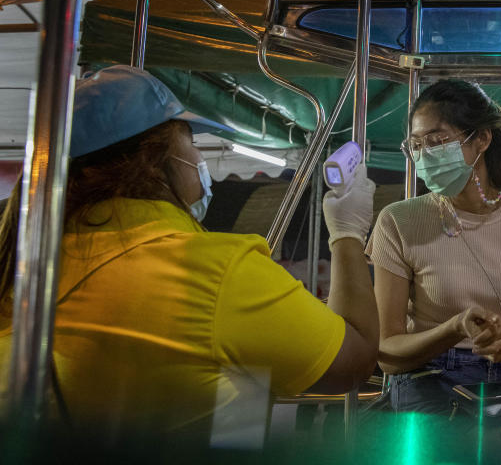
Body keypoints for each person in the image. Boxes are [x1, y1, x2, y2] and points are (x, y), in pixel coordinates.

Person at [0, 66, 378, 444]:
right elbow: (354, 362)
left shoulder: (21, 264)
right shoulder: (214, 271)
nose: (200, 157)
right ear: (154, 161)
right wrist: (347, 234)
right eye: (192, 141)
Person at [368, 79, 501, 414]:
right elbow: (388, 354)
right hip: (425, 380)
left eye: (438, 141)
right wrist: (453, 328)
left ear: (482, 138)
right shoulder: (398, 221)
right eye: (415, 145)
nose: (425, 155)